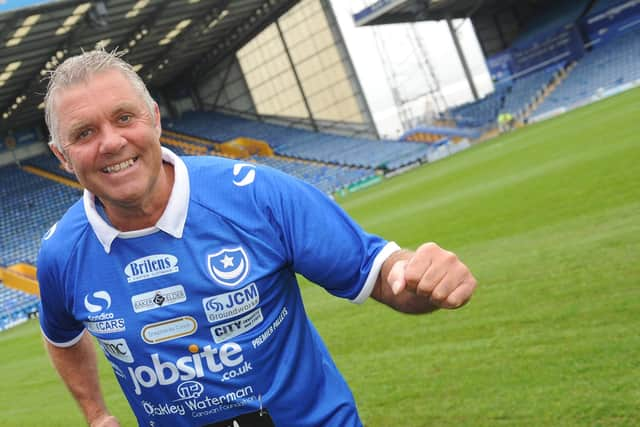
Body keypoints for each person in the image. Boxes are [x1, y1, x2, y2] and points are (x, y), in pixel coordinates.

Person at [38, 49, 477, 427]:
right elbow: (60, 335)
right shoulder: (62, 254)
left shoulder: (258, 196)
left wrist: (418, 274)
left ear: (153, 118)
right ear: (62, 156)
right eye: (84, 133)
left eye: (124, 117)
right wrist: (96, 414)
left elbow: (377, 272)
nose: (112, 142)